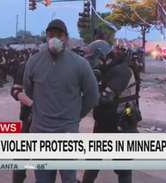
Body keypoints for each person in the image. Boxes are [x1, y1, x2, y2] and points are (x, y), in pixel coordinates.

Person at [23, 19, 99, 183]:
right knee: (43, 180)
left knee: (68, 179)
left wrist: (74, 117)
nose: (55, 38)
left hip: (67, 135)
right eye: (51, 34)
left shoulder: (80, 64)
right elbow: (29, 91)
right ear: (46, 37)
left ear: (67, 38)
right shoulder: (33, 62)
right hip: (40, 134)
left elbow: (92, 96)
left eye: (59, 35)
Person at [82, 40, 142, 183]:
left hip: (122, 125)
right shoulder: (107, 70)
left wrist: (88, 91)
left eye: (94, 60)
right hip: (104, 124)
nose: (92, 64)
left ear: (103, 57)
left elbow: (105, 98)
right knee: (92, 163)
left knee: (123, 169)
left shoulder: (122, 71)